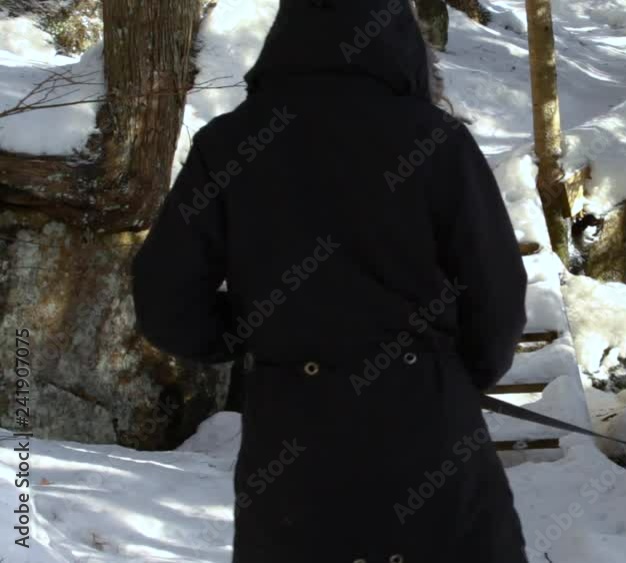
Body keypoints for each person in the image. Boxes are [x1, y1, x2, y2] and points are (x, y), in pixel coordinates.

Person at [130, 1, 530, 562]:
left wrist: (256, 336)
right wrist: (451, 375)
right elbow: (497, 296)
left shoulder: (229, 143)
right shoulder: (435, 141)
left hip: (293, 432)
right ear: (398, 39)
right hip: (426, 424)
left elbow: (165, 299)